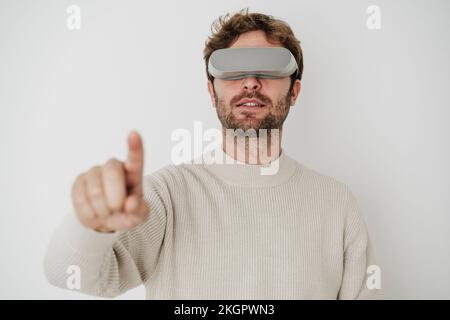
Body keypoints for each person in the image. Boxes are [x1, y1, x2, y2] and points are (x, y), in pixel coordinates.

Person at [44, 9, 382, 299]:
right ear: (211, 91)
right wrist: (91, 225)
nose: (250, 81)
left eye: (269, 69)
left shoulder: (337, 204)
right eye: (233, 70)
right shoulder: (165, 195)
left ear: (294, 91)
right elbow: (68, 272)